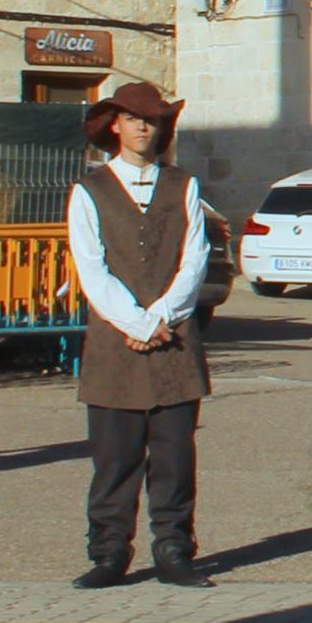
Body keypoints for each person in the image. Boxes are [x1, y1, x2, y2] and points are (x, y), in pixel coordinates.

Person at [67, 79, 216, 589]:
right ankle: (109, 553)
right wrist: (135, 322)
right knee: (115, 459)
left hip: (173, 340)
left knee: (175, 457)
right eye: (133, 118)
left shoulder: (185, 186)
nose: (142, 126)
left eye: (151, 119)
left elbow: (194, 259)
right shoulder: (89, 192)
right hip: (114, 344)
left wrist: (162, 318)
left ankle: (175, 549)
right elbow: (92, 270)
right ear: (115, 124)